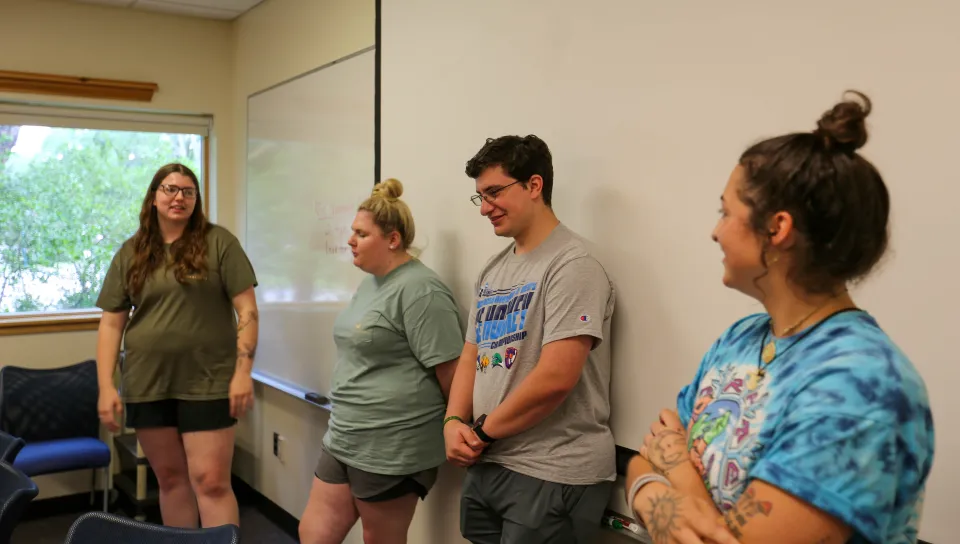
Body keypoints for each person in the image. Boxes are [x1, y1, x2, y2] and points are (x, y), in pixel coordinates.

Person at [624, 91, 935, 544]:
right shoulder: (740, 339)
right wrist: (652, 492)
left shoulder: (860, 384)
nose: (715, 232)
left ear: (777, 228)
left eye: (725, 212)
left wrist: (677, 469)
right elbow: (642, 457)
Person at [444, 135, 617, 544]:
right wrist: (452, 422)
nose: (485, 207)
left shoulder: (573, 264)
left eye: (494, 192)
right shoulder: (493, 270)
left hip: (552, 467)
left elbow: (557, 377)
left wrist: (482, 433)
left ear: (534, 185)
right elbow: (471, 354)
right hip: (490, 462)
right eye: (480, 197)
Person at [298, 178, 464, 544]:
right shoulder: (371, 282)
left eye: (361, 234)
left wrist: (457, 428)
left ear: (393, 240)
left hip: (391, 444)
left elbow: (453, 375)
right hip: (345, 434)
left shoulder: (421, 290)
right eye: (352, 232)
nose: (350, 241)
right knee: (313, 533)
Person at [95, 162, 259, 529]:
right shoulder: (132, 252)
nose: (179, 197)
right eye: (170, 189)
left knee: (211, 483)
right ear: (153, 197)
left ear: (196, 199)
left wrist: (243, 372)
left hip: (208, 381)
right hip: (147, 382)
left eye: (188, 191)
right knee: (170, 481)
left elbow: (248, 311)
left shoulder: (220, 243)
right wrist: (106, 386)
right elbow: (111, 323)